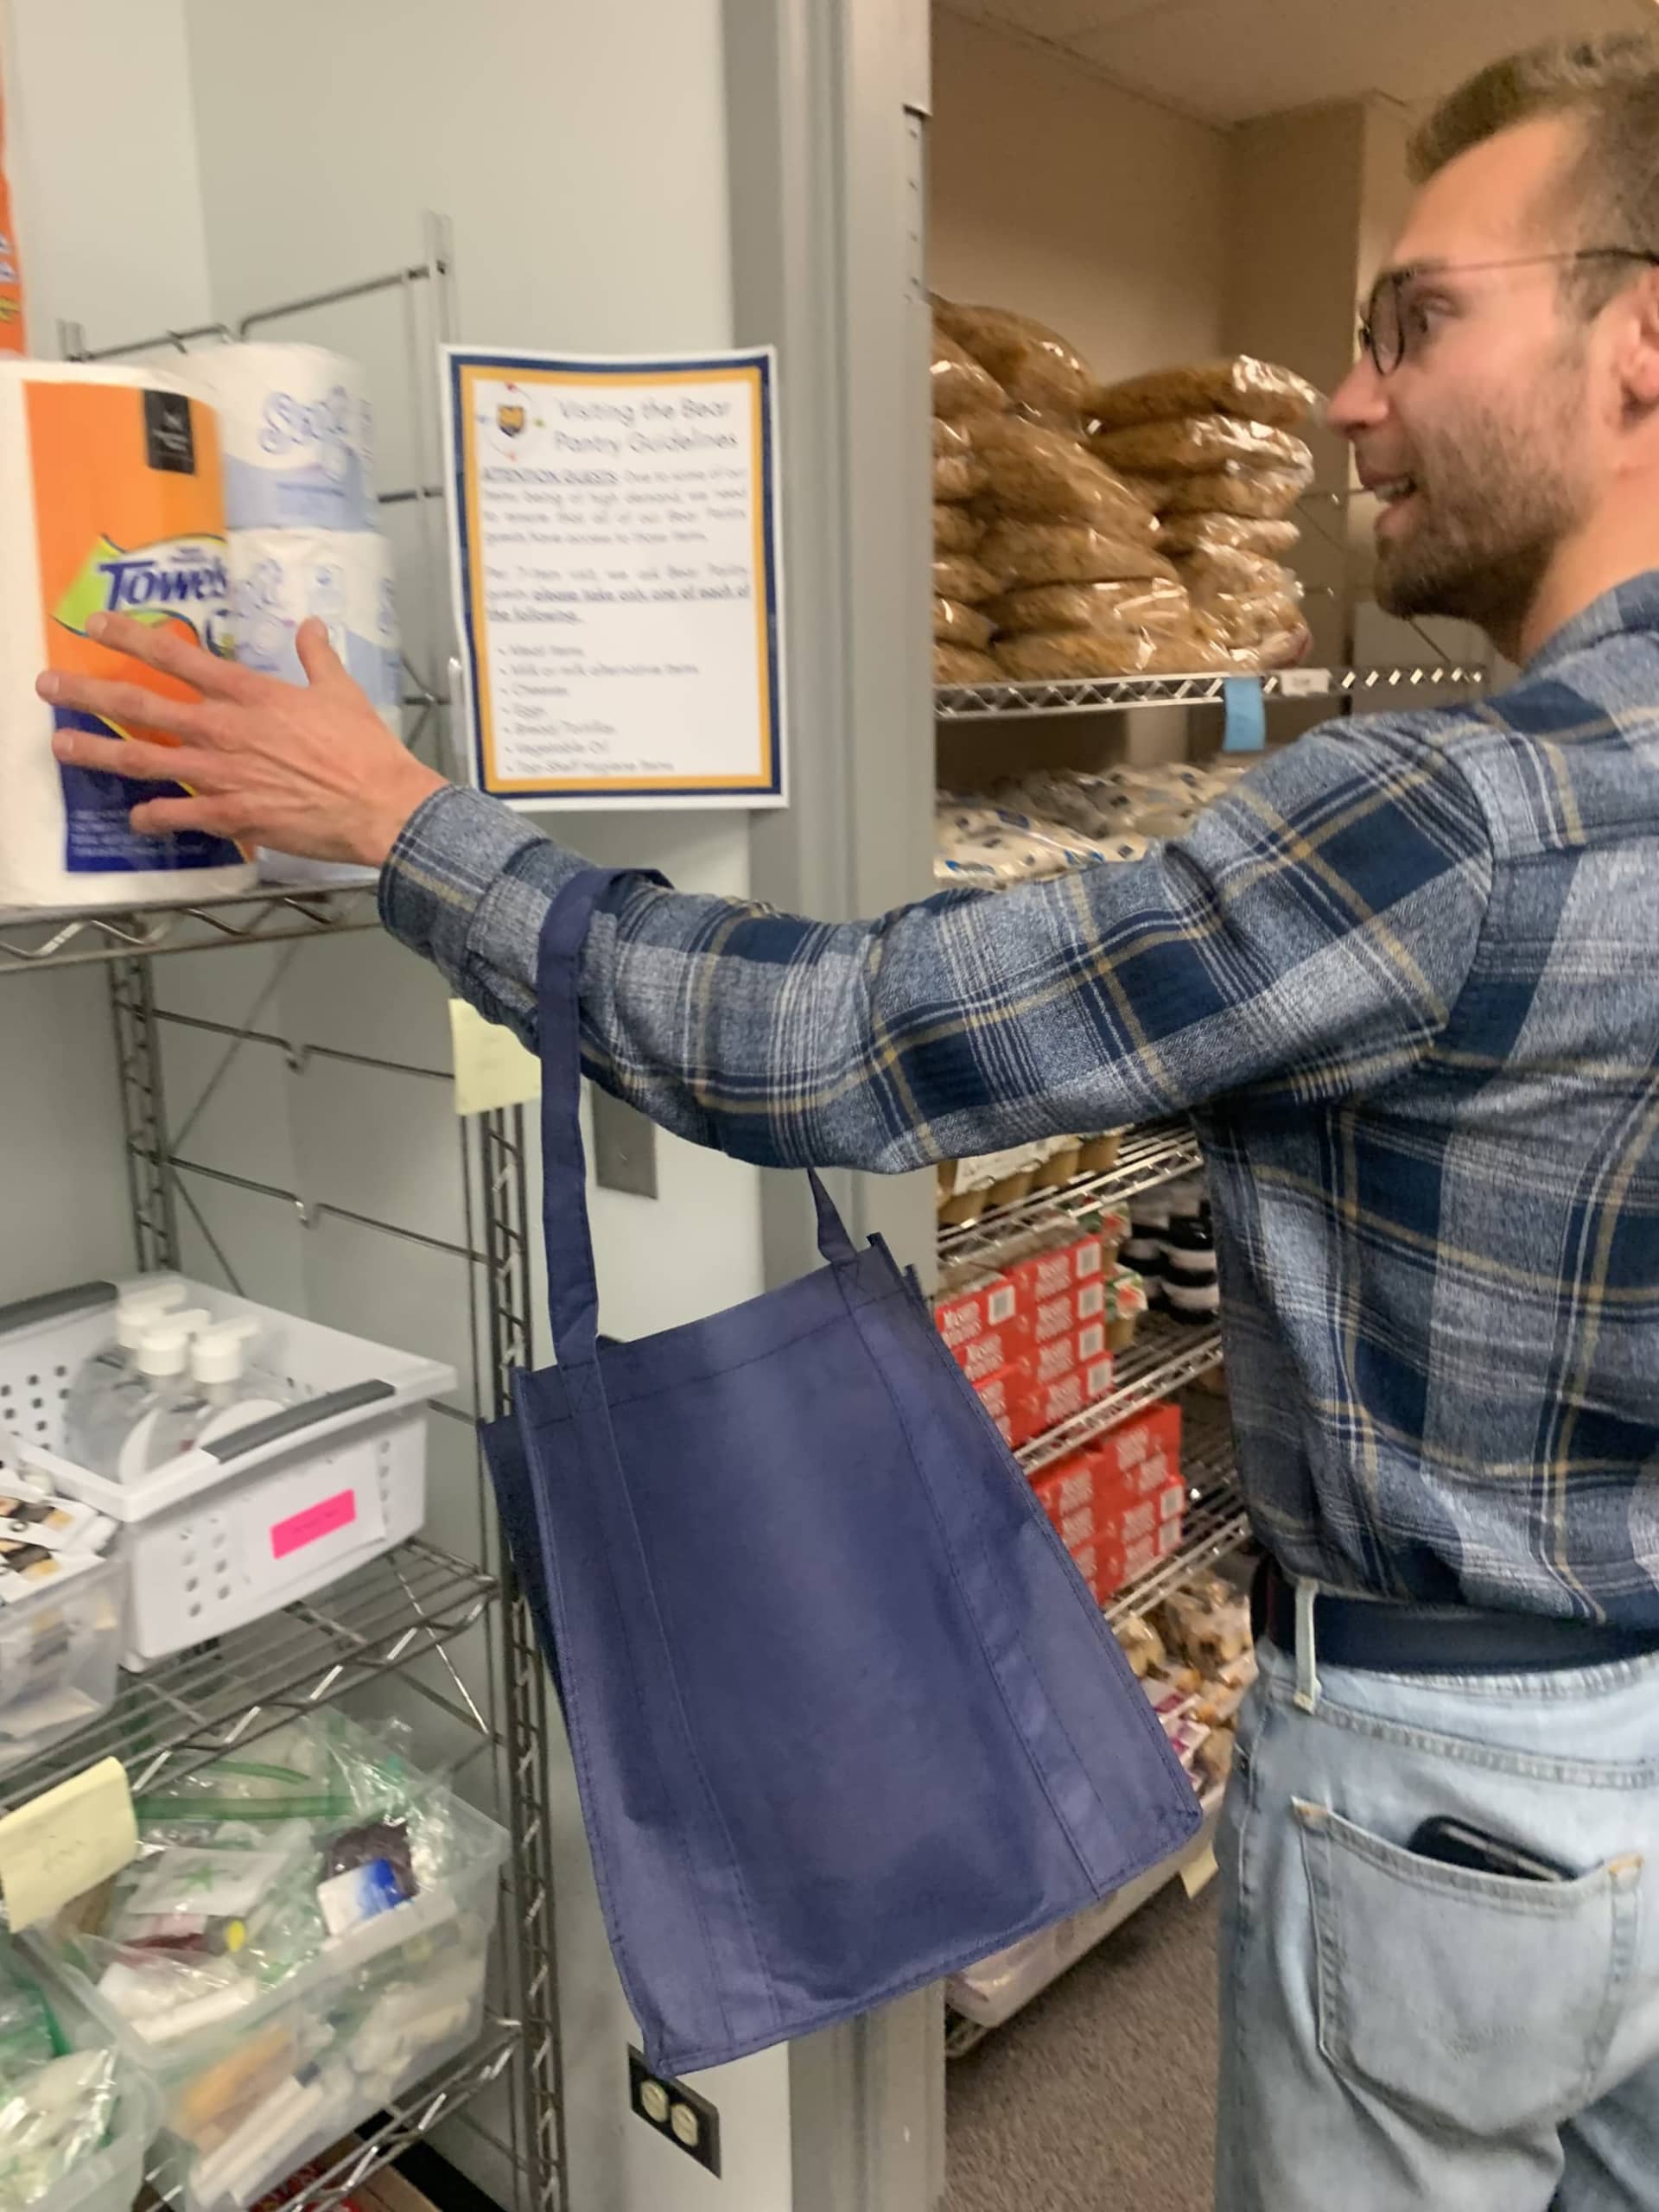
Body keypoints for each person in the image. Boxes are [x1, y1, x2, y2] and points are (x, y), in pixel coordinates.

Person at [35, 31, 1659, 2209]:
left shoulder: (1460, 817)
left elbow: (850, 1040)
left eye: (1415, 318)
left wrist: (408, 824)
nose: (1353, 397)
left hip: (1463, 1790)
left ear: (1639, 339)